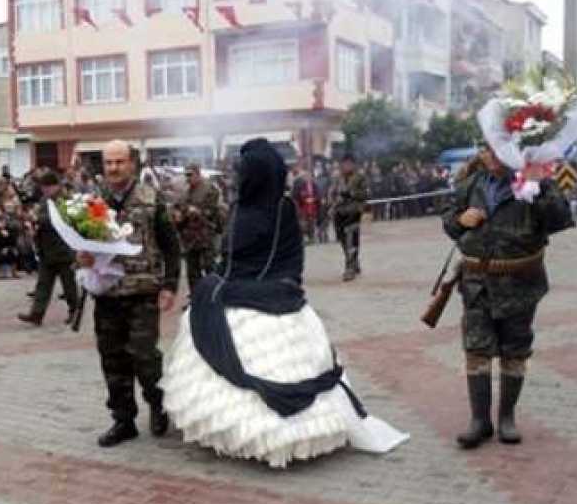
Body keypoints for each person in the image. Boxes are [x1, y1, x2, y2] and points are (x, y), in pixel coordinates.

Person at [160, 139, 408, 468]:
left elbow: (289, 258)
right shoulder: (237, 206)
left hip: (265, 296)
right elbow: (230, 257)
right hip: (233, 291)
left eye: (245, 169)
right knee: (201, 309)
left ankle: (282, 439)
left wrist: (270, 287)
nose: (239, 175)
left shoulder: (282, 208)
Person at [441, 149, 573, 449]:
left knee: (515, 351)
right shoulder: (470, 184)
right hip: (476, 284)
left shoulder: (531, 183)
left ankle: (507, 418)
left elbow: (561, 219)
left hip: (520, 284)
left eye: (501, 150)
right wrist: (461, 219)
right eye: (488, 150)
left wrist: (539, 185)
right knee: (477, 350)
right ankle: (479, 420)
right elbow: (449, 223)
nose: (494, 157)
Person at [77, 140, 181, 447]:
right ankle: (123, 420)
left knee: (144, 356)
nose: (113, 168)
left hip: (142, 291)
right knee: (112, 359)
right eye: (108, 163)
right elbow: (83, 245)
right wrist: (82, 258)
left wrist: (170, 285)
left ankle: (157, 402)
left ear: (132, 163)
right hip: (107, 293)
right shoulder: (93, 204)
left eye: (119, 162)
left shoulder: (152, 199)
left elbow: (171, 246)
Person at [18, 172, 79, 326]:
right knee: (43, 284)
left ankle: (75, 311)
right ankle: (36, 313)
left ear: (55, 186)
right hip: (46, 249)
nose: (45, 190)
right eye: (43, 187)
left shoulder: (65, 200)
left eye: (47, 187)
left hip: (63, 249)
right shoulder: (45, 200)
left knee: (69, 285)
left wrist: (37, 219)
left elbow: (60, 220)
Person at [174, 164, 223, 294]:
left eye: (190, 175)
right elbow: (178, 208)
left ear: (198, 174)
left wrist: (198, 212)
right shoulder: (185, 192)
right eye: (186, 175)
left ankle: (214, 295)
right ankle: (195, 297)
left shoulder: (209, 189)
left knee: (209, 267)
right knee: (192, 270)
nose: (187, 178)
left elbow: (212, 211)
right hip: (189, 237)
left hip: (205, 235)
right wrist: (178, 215)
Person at [330, 153, 368, 281]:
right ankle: (354, 261)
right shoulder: (337, 177)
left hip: (353, 211)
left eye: (349, 163)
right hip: (339, 212)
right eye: (344, 163)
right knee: (342, 239)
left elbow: (365, 194)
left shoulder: (360, 177)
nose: (346, 166)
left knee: (351, 239)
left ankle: (350, 267)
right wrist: (332, 200)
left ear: (353, 164)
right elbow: (332, 192)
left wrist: (350, 193)